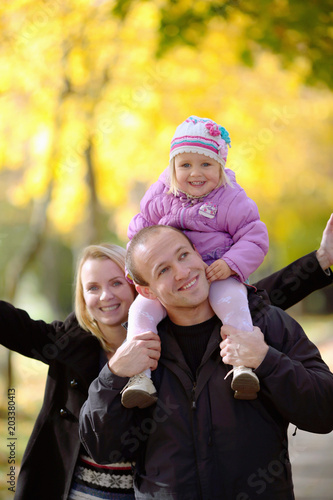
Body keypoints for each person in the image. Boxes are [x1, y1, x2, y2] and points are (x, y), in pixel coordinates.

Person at [1, 215, 332, 498]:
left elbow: (325, 410)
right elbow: (104, 446)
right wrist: (114, 374)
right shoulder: (130, 351)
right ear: (145, 290)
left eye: (185, 256)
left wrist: (267, 360)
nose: (183, 272)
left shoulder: (257, 323)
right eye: (162, 270)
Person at [123, 116, 269, 405]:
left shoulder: (230, 199)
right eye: (185, 165)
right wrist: (137, 271)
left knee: (231, 301)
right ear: (172, 167)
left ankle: (242, 364)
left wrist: (230, 263)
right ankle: (139, 376)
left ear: (220, 166)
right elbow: (139, 231)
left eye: (206, 164)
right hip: (170, 280)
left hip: (216, 272)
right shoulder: (161, 195)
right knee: (140, 311)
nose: (195, 173)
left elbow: (254, 236)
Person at [0, 244, 136, 500]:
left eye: (116, 283)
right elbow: (15, 327)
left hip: (138, 492)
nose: (106, 296)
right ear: (83, 296)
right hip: (73, 490)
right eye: (93, 287)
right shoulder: (68, 342)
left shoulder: (164, 344)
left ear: (134, 284)